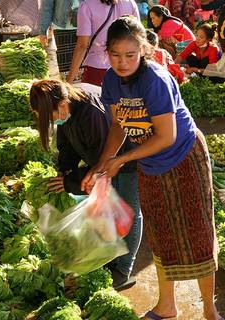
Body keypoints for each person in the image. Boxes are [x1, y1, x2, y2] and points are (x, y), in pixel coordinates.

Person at [81, 16, 219, 320]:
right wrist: (102, 164)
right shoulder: (111, 81)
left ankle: (210, 310)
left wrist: (122, 160)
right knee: (160, 233)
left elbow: (166, 135)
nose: (122, 62)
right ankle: (167, 306)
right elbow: (118, 125)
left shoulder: (155, 79)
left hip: (184, 156)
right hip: (151, 163)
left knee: (198, 232)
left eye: (130, 55)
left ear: (143, 50)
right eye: (115, 55)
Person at [29, 80, 142, 290]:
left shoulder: (90, 113)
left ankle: (124, 270)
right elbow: (67, 145)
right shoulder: (67, 108)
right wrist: (65, 170)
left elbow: (101, 161)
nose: (50, 121)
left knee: (128, 210)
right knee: (109, 206)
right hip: (104, 161)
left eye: (49, 116)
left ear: (62, 105)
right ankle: (111, 257)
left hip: (127, 157)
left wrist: (71, 183)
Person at [68, 0, 139, 85]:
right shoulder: (130, 3)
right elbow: (138, 38)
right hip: (128, 68)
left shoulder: (86, 7)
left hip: (97, 69)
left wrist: (68, 81)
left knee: (97, 104)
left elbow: (82, 46)